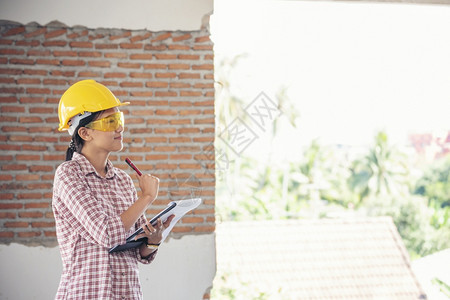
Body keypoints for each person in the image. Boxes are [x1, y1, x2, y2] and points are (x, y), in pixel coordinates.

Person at [52, 79, 174, 299]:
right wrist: (146, 197)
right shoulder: (69, 175)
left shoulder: (123, 181)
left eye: (119, 119)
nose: (120, 127)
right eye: (109, 122)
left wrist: (153, 240)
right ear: (84, 133)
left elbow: (137, 250)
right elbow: (106, 234)